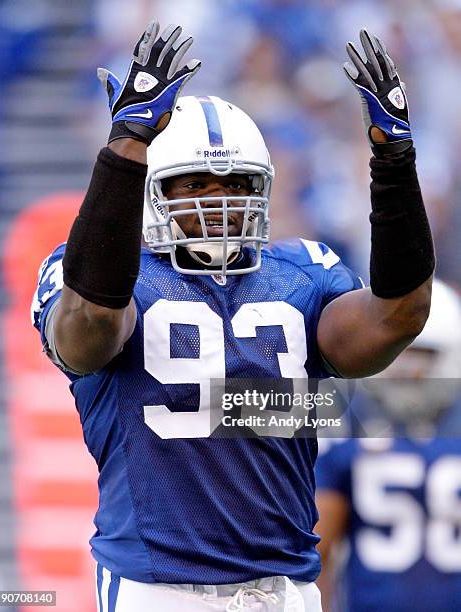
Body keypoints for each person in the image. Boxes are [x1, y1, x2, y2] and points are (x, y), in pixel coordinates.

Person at [30, 21, 433, 612]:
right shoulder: (98, 273)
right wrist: (126, 149)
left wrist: (394, 165)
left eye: (236, 183)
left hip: (286, 588)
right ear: (151, 191)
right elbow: (86, 331)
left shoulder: (304, 270)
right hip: (159, 590)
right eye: (196, 183)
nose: (219, 202)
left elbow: (397, 316)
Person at [315, 280, 461, 612]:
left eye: (420, 358)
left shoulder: (348, 426)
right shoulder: (346, 421)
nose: (407, 372)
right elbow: (319, 547)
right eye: (399, 355)